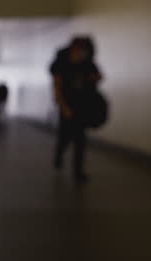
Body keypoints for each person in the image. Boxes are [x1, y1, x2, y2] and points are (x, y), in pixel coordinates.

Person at [50, 36, 103, 184]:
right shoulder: (60, 64)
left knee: (80, 139)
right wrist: (63, 107)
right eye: (80, 50)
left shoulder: (88, 63)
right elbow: (57, 88)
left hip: (83, 106)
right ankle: (59, 154)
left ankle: (78, 171)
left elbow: (99, 77)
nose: (82, 53)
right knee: (65, 136)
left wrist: (93, 77)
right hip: (67, 106)